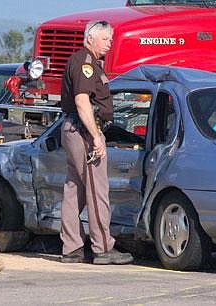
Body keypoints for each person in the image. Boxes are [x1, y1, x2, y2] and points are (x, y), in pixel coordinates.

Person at [59, 20, 134, 265]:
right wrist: (95, 137)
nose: (109, 44)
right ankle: (103, 247)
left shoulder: (85, 61)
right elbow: (82, 102)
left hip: (74, 128)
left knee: (75, 189)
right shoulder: (85, 63)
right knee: (96, 189)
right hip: (84, 131)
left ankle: (71, 248)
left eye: (111, 40)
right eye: (105, 39)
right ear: (90, 38)